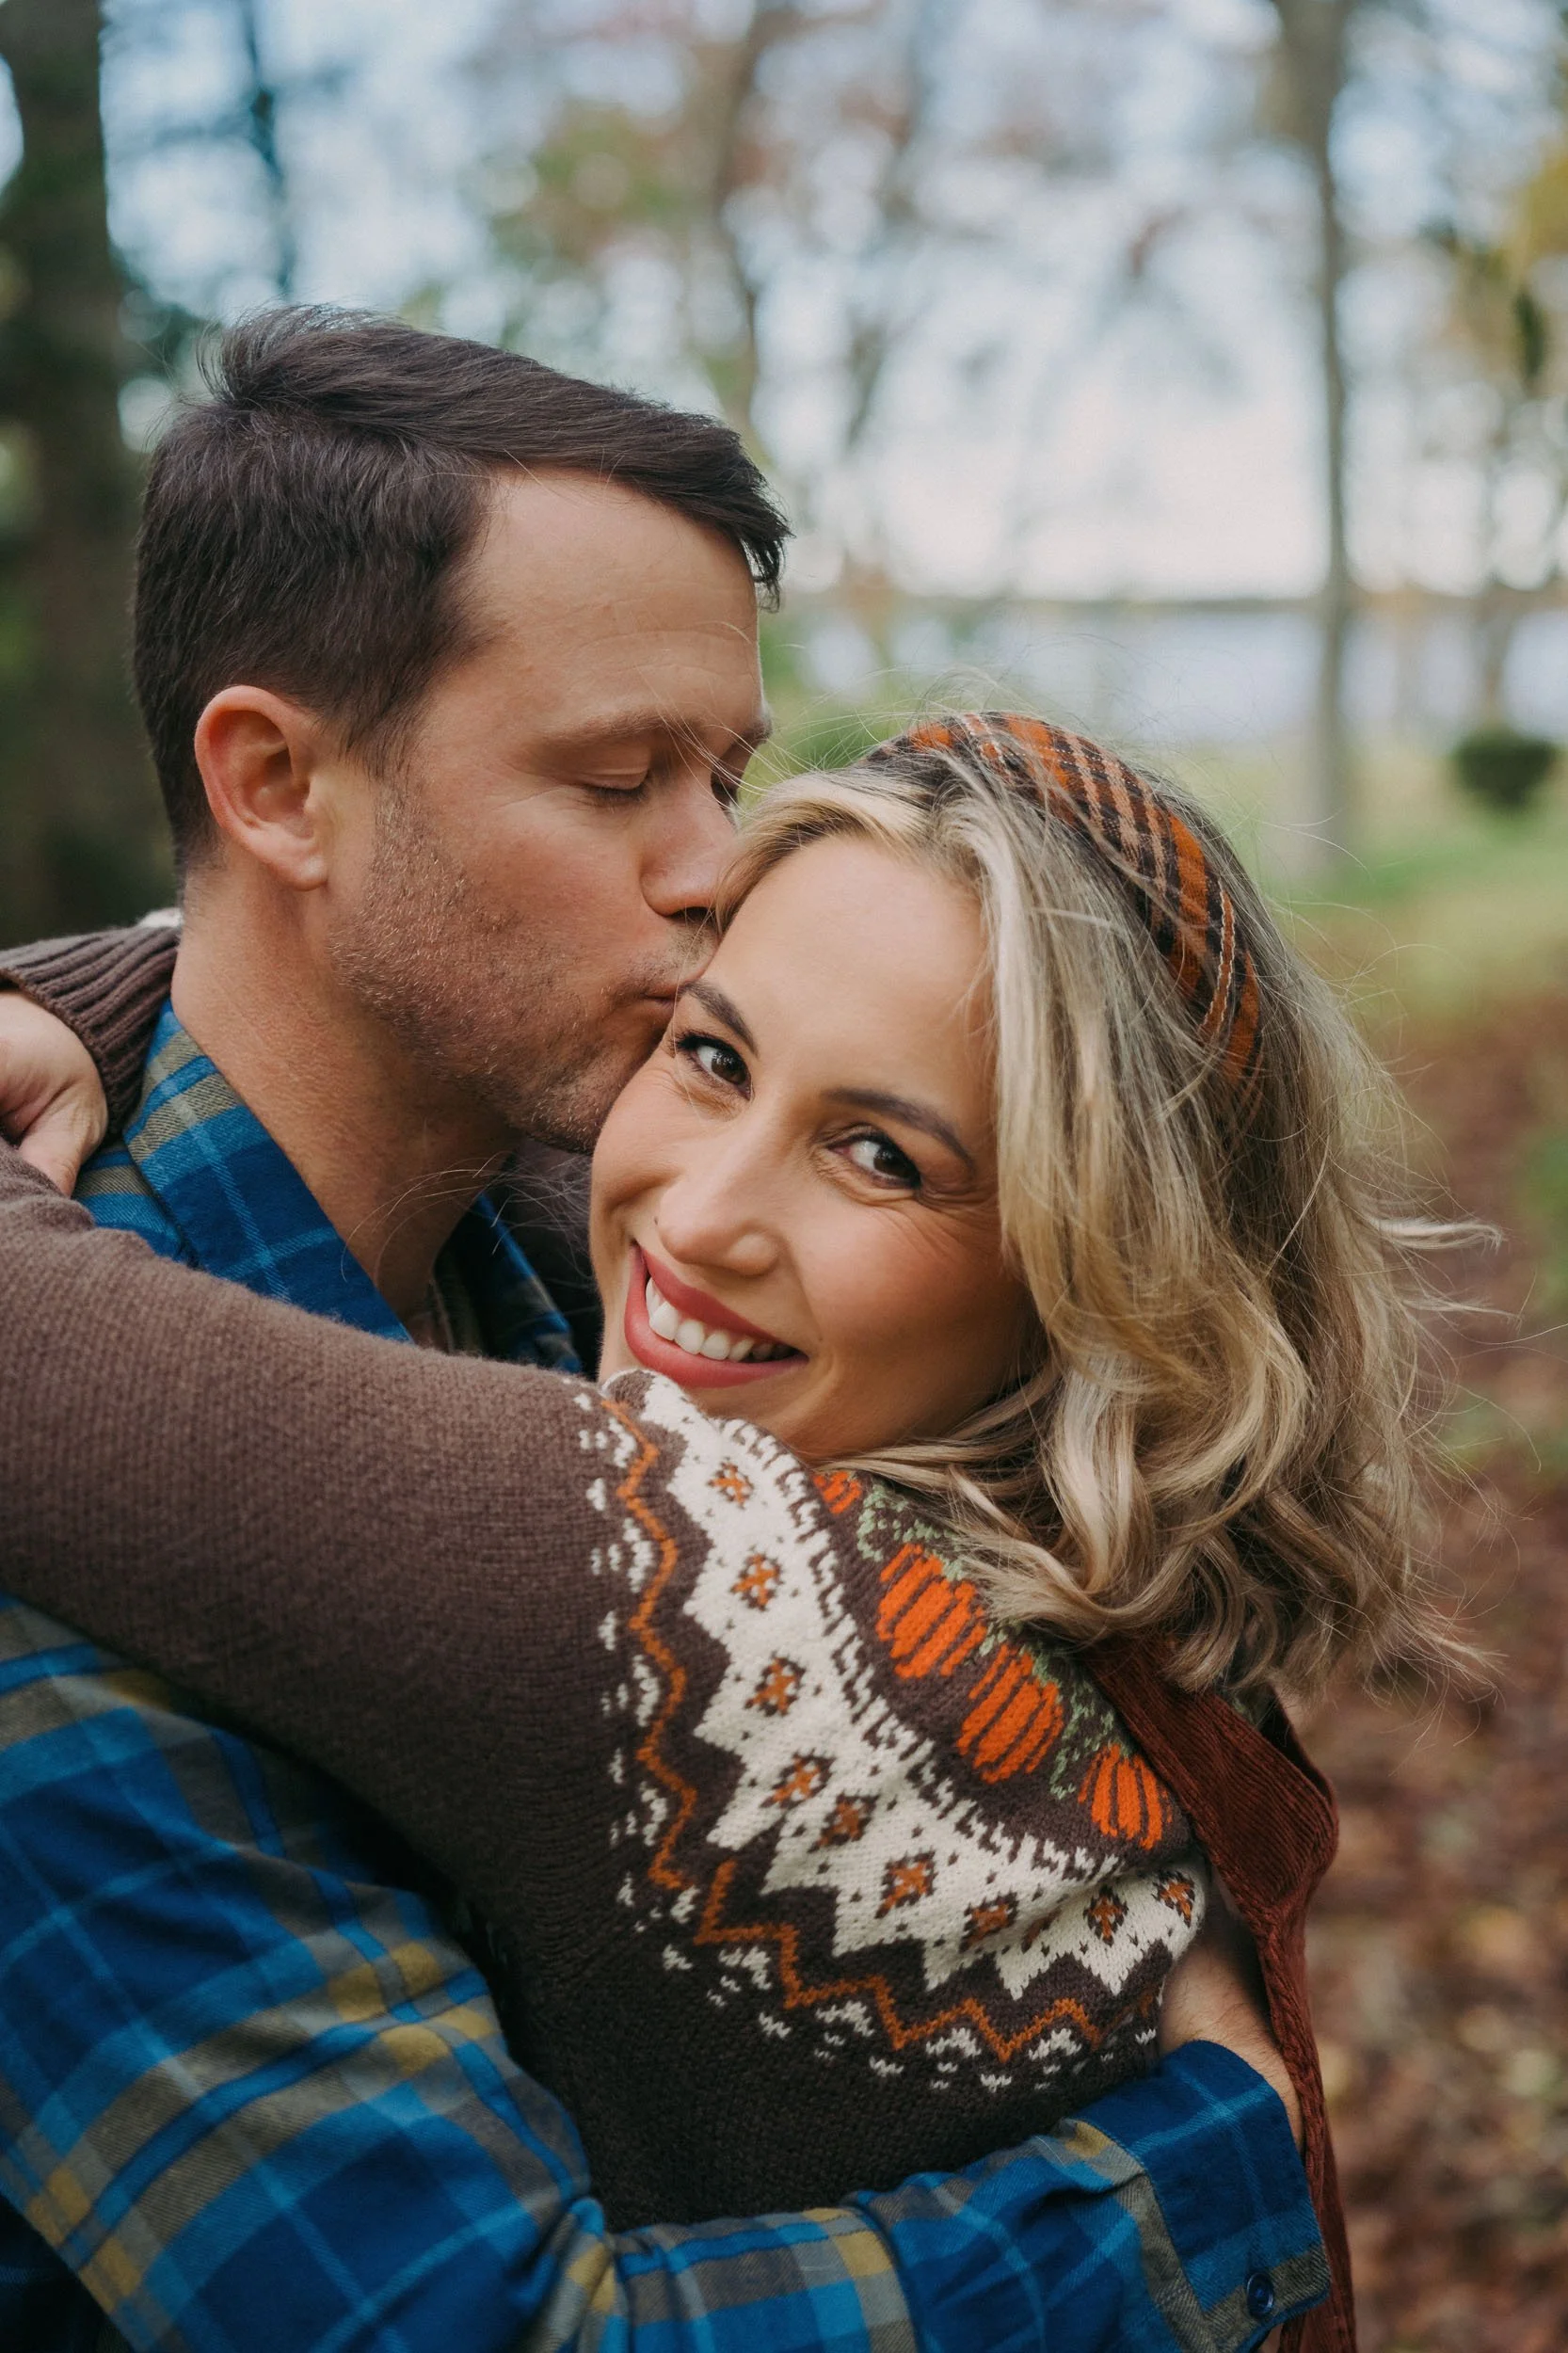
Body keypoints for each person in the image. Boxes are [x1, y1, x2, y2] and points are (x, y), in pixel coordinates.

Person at [0, 310, 1325, 2352]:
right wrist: (1222, 2157)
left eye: (726, 766)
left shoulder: (568, 1254)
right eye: (620, 776)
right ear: (272, 781)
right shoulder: (64, 1574)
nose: (717, 867)